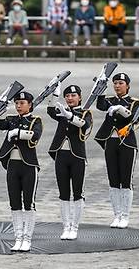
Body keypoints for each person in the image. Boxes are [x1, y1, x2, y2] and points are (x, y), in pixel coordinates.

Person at [0, 91, 43, 252]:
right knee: (14, 203)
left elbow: (35, 135)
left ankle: (27, 238)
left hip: (28, 166)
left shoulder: (36, 120)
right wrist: (0, 107)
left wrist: (18, 133)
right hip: (13, 166)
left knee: (28, 203)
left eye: (22, 103)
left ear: (30, 105)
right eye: (16, 103)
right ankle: (18, 237)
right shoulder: (11, 120)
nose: (18, 106)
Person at [94, 73, 139, 228]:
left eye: (121, 83)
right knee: (113, 180)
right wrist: (100, 85)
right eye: (115, 83)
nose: (117, 86)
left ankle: (125, 216)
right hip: (111, 142)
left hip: (127, 143)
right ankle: (117, 215)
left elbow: (133, 118)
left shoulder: (134, 102)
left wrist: (120, 108)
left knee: (125, 180)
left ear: (127, 85)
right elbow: (100, 105)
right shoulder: (110, 101)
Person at [47, 84, 92, 240]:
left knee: (78, 193)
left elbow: (84, 125)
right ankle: (66, 226)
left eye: (73, 95)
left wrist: (70, 116)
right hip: (61, 155)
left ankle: (75, 226)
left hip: (77, 157)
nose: (70, 98)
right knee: (64, 193)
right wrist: (55, 94)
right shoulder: (61, 110)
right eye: (67, 96)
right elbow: (50, 111)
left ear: (79, 97)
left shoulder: (86, 112)